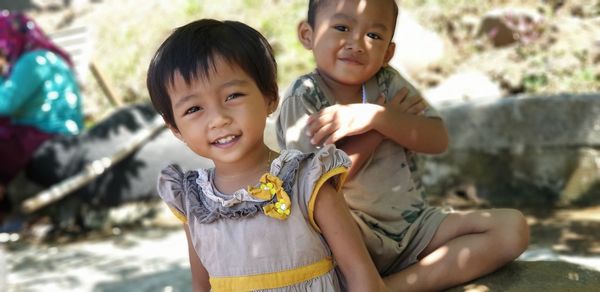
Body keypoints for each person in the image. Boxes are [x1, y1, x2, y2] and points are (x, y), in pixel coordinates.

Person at [276, 0, 530, 290]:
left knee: (512, 228)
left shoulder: (386, 83)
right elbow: (317, 188)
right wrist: (377, 130)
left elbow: (437, 139)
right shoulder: (305, 97)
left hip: (413, 227)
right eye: (342, 27)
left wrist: (375, 115)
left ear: (388, 52)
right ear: (307, 34)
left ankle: (393, 287)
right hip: (349, 237)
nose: (357, 43)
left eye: (374, 35)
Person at [146, 19, 386, 291]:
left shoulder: (306, 181)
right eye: (193, 109)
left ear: (270, 96)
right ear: (175, 128)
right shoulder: (193, 202)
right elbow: (202, 286)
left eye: (233, 95)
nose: (218, 119)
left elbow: (361, 275)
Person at [0, 11, 83, 222]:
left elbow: (6, 104)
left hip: (49, 135)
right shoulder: (35, 58)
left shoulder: (33, 62)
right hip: (46, 130)